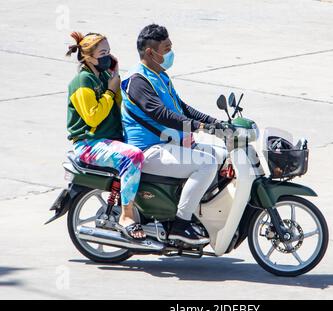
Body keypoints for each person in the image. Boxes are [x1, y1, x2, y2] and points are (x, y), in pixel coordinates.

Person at [121, 24, 227, 245]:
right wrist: (200, 127)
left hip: (171, 145)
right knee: (206, 164)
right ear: (151, 52)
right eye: (166, 48)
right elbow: (161, 114)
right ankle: (181, 224)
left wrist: (216, 123)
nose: (170, 53)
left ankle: (197, 212)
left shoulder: (160, 75)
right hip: (149, 151)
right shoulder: (138, 80)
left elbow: (182, 108)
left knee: (222, 155)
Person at [66, 31, 145, 240]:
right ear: (88, 57)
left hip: (110, 140)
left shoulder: (103, 76)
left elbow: (120, 107)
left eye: (109, 52)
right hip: (88, 144)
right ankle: (127, 215)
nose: (107, 57)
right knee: (133, 156)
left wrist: (115, 77)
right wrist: (110, 91)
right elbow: (93, 118)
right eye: (102, 53)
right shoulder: (82, 81)